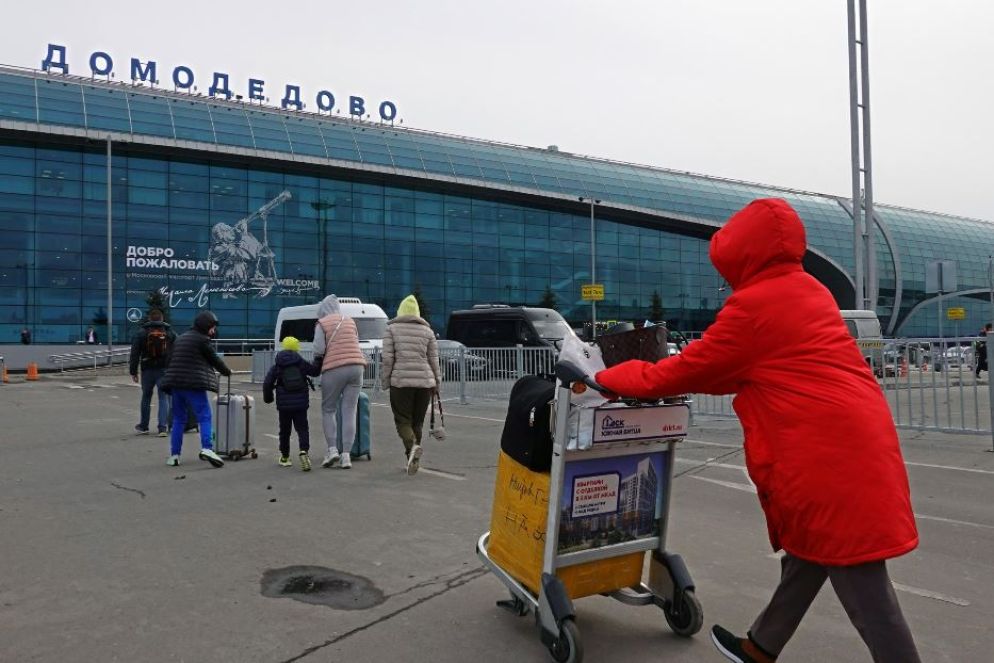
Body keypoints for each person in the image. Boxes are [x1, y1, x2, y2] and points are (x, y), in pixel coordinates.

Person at [594, 199, 920, 663]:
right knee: (809, 553)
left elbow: (681, 372)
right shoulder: (809, 289)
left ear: (742, 254)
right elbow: (744, 368)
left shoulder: (753, 306)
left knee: (867, 593)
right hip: (858, 440)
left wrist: (603, 377)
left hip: (826, 458)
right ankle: (760, 648)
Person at [161, 310, 231, 468]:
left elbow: (169, 359)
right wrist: (227, 371)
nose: (213, 331)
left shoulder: (181, 338)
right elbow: (214, 360)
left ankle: (174, 455)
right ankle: (207, 448)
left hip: (175, 384)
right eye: (212, 327)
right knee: (205, 416)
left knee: (178, 419)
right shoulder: (202, 340)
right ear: (205, 326)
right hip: (193, 385)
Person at [381, 294, 440, 476]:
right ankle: (412, 458)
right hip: (424, 383)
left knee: (402, 420)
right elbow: (434, 359)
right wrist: (437, 382)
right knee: (417, 422)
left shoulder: (391, 329)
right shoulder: (427, 332)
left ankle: (412, 447)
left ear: (400, 311)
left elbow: (388, 359)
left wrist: (385, 381)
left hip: (401, 382)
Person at [313, 295, 366, 470]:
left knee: (328, 409)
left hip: (334, 368)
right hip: (357, 367)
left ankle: (332, 449)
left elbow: (319, 349)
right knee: (350, 410)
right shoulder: (350, 320)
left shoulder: (322, 323)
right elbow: (355, 342)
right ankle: (346, 456)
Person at [263, 335, 320, 471]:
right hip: (301, 404)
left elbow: (267, 383)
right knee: (302, 428)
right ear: (296, 349)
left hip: (284, 405)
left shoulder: (278, 365)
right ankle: (303, 451)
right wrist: (319, 360)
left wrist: (268, 398)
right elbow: (314, 372)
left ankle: (285, 457)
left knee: (284, 431)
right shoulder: (300, 362)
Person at [128, 309, 176, 436]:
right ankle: (162, 428)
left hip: (147, 370)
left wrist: (133, 371)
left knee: (146, 397)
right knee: (163, 398)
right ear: (162, 319)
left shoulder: (142, 333)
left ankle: (144, 426)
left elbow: (135, 353)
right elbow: (177, 349)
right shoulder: (169, 332)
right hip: (164, 369)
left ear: (150, 319)